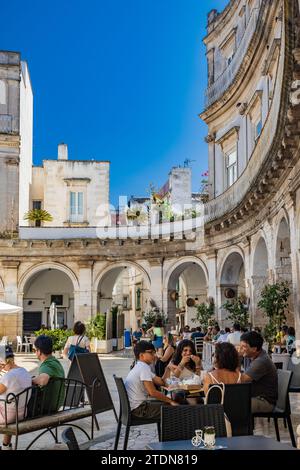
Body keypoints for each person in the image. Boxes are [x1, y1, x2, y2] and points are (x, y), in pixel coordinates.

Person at [124, 341, 178, 419]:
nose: (154, 355)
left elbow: (161, 382)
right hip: (139, 409)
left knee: (168, 403)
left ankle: (165, 431)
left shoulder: (141, 366)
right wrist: (171, 401)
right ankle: (174, 431)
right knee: (176, 409)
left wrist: (168, 368)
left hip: (137, 407)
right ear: (141, 355)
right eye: (151, 353)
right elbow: (153, 393)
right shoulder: (143, 368)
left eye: (154, 352)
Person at [0, 346, 32, 450]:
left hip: (7, 416)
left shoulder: (8, 376)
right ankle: (6, 446)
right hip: (21, 414)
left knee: (7, 406)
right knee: (9, 404)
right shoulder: (24, 372)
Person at [240, 331, 278, 413]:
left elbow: (241, 380)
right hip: (255, 396)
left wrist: (236, 357)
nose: (241, 349)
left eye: (243, 347)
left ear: (254, 349)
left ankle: (240, 426)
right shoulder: (250, 356)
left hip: (265, 401)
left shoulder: (261, 361)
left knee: (235, 404)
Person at [32, 335, 65, 413]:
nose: (35, 352)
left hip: (47, 407)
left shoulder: (47, 364)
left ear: (39, 351)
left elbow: (43, 380)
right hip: (56, 405)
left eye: (34, 350)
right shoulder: (55, 362)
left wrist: (31, 379)